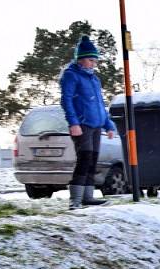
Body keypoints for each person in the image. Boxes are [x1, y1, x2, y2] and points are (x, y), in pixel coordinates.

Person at [60, 35, 117, 210]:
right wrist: (73, 123)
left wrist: (108, 125)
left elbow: (100, 104)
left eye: (95, 61)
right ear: (81, 59)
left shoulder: (94, 79)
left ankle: (88, 197)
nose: (94, 64)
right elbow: (66, 100)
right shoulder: (71, 76)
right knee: (84, 159)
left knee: (92, 160)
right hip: (82, 124)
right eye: (91, 60)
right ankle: (75, 200)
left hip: (96, 125)